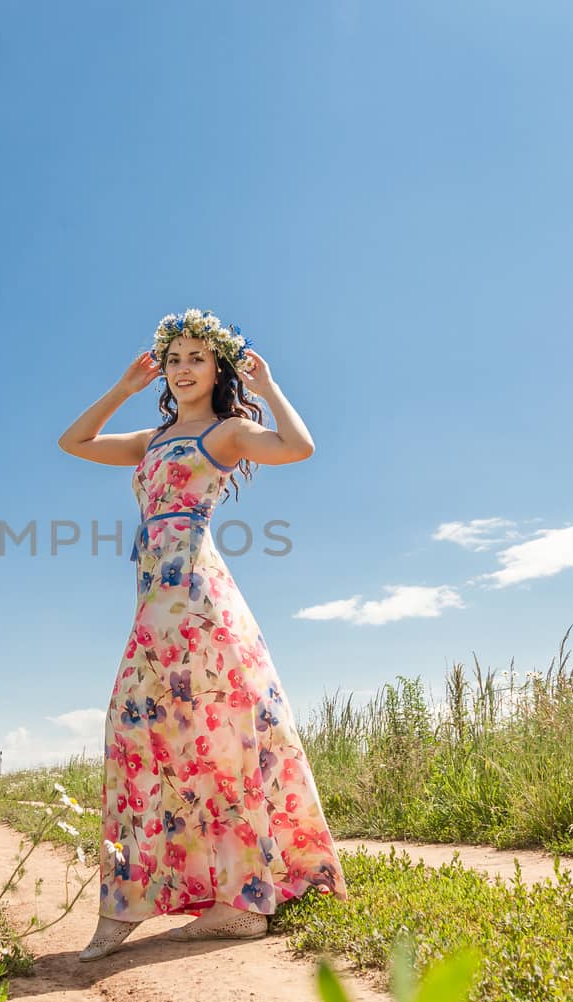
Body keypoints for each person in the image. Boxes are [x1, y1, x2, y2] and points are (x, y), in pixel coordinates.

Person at [57, 309, 350, 962]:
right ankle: (126, 904)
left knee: (215, 738)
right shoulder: (152, 437)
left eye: (196, 357)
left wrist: (270, 387)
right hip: (154, 599)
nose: (182, 367)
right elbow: (73, 442)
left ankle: (239, 902)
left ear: (218, 367)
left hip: (198, 594)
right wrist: (121, 389)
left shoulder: (228, 432)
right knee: (140, 734)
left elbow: (298, 446)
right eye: (174, 357)